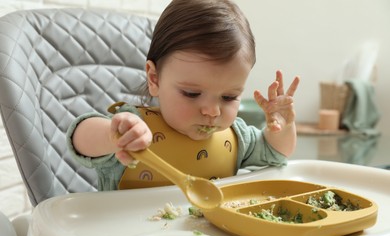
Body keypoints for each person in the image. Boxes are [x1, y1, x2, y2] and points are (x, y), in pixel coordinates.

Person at [67, 0, 299, 191]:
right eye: (192, 93)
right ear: (154, 78)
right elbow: (79, 139)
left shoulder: (236, 138)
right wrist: (112, 135)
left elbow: (276, 153)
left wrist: (283, 126)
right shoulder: (135, 130)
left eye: (229, 97)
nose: (212, 111)